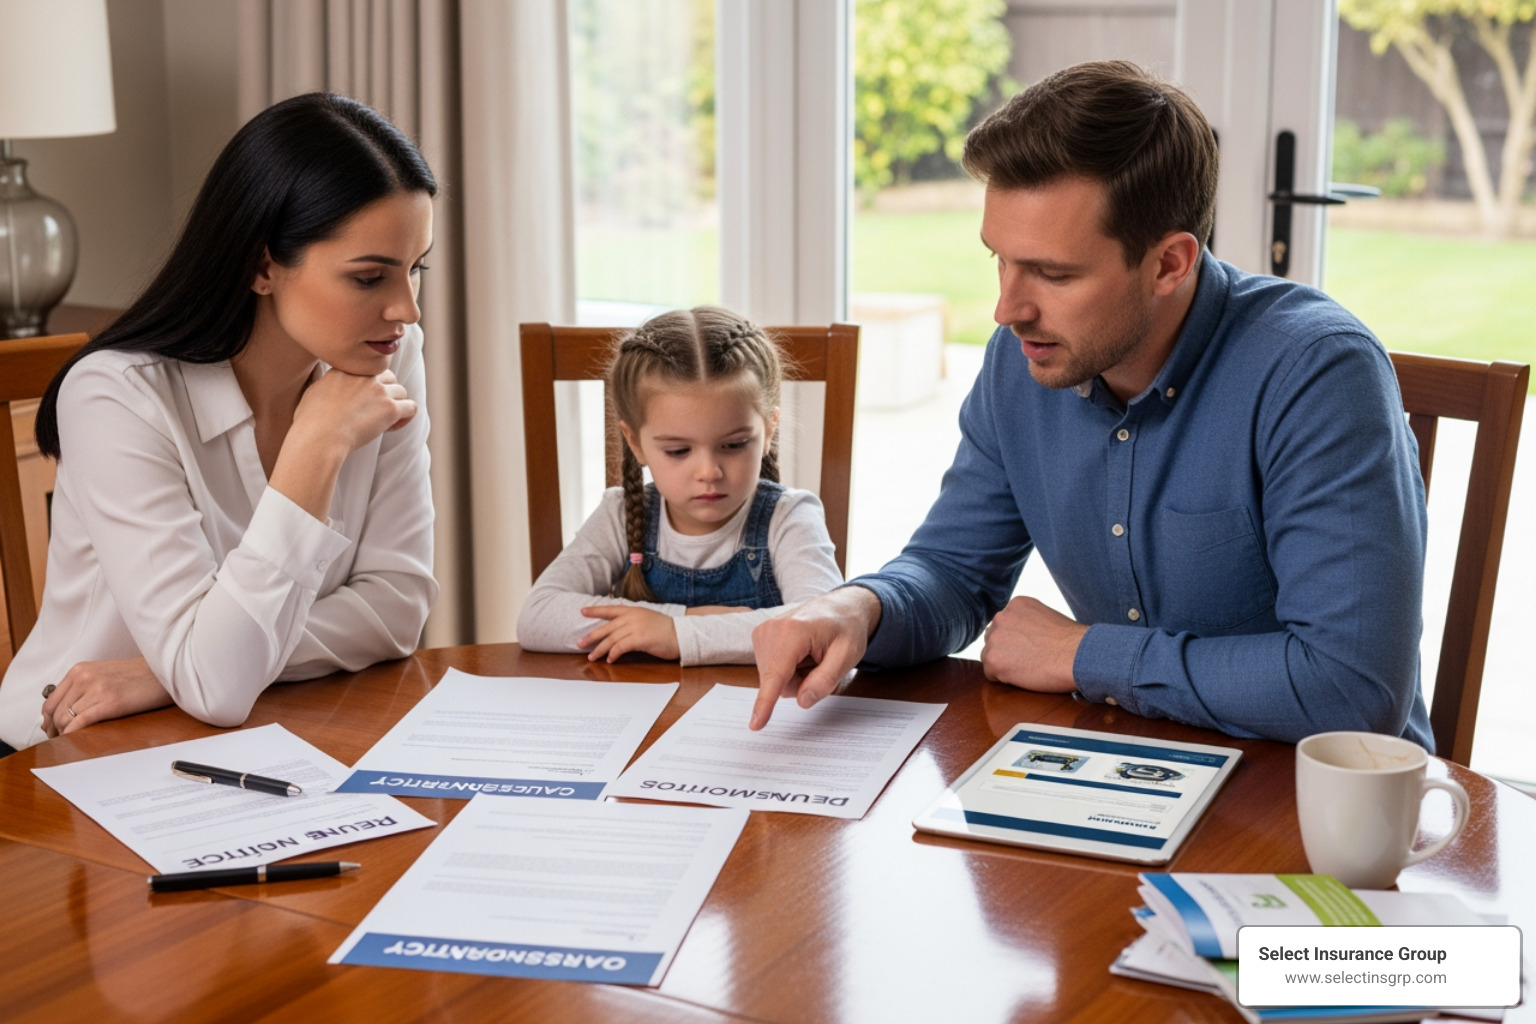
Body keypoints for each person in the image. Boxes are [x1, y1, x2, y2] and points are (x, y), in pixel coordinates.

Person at [750, 60, 1434, 750]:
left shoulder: (1316, 373)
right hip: (1122, 763)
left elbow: (1351, 691)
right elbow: (955, 571)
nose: (1007, 308)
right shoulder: (1025, 358)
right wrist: (858, 608)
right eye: (1000, 259)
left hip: (1307, 804)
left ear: (1170, 263)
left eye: (1053, 273)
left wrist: (1079, 655)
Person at [0, 93, 439, 753]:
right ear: (262, 265)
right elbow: (215, 686)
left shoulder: (386, 354)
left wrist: (164, 673)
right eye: (369, 277)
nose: (405, 310)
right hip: (63, 757)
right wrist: (315, 447)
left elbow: (397, 608)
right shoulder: (117, 396)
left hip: (238, 732)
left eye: (414, 270)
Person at [516, 306, 843, 665]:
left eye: (733, 445)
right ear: (636, 442)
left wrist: (675, 634)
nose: (708, 471)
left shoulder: (790, 517)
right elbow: (537, 615)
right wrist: (683, 618)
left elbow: (820, 627)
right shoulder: (620, 514)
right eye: (678, 450)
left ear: (768, 431)